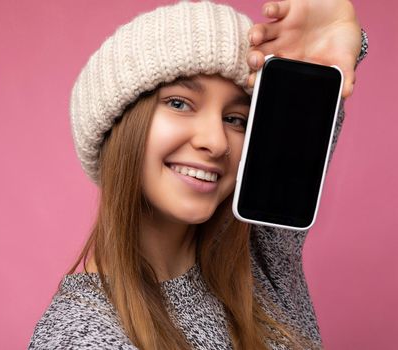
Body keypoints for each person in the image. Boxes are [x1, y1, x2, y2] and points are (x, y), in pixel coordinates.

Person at [28, 0, 368, 349]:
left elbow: (310, 119)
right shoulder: (81, 336)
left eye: (236, 118)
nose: (216, 141)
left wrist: (323, 55)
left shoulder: (260, 255)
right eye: (179, 103)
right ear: (117, 126)